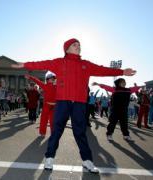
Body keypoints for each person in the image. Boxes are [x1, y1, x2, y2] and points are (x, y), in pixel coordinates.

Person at [12, 38, 136, 173]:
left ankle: (87, 161)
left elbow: (102, 70)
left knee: (80, 132)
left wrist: (122, 72)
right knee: (56, 131)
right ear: (67, 49)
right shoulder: (59, 62)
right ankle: (49, 158)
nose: (78, 46)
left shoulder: (86, 64)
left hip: (79, 103)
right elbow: (41, 64)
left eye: (79, 45)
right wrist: (25, 64)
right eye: (74, 45)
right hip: (63, 102)